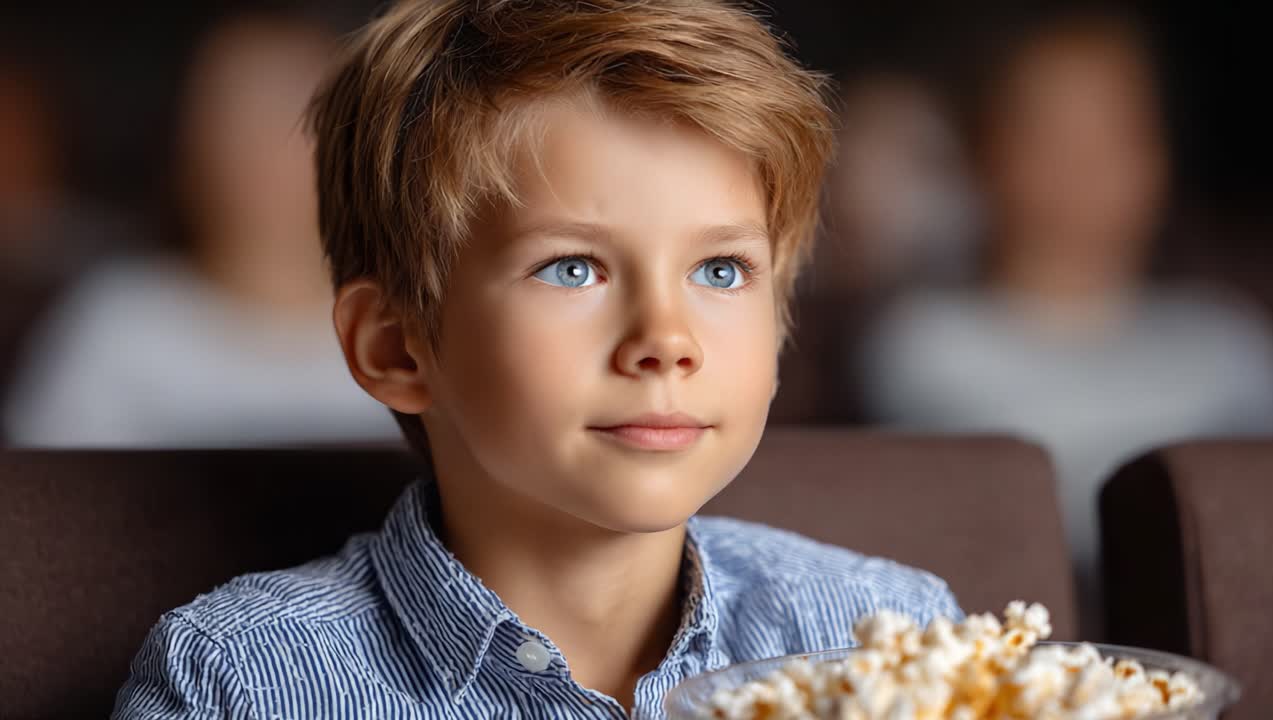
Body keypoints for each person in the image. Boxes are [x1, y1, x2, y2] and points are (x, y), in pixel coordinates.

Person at [111, 1, 963, 717]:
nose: (667, 340)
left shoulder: (895, 640)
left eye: (720, 269)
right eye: (573, 269)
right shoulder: (236, 683)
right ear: (396, 347)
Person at [860, 8, 1273, 639]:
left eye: (1115, 128)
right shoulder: (925, 344)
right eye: (1048, 131)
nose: (1083, 163)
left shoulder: (1228, 341)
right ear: (984, 151)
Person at [3, 11, 400, 446]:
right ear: (184, 148)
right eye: (232, 117)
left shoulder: (407, 335)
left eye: (293, 109)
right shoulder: (117, 325)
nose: (264, 148)